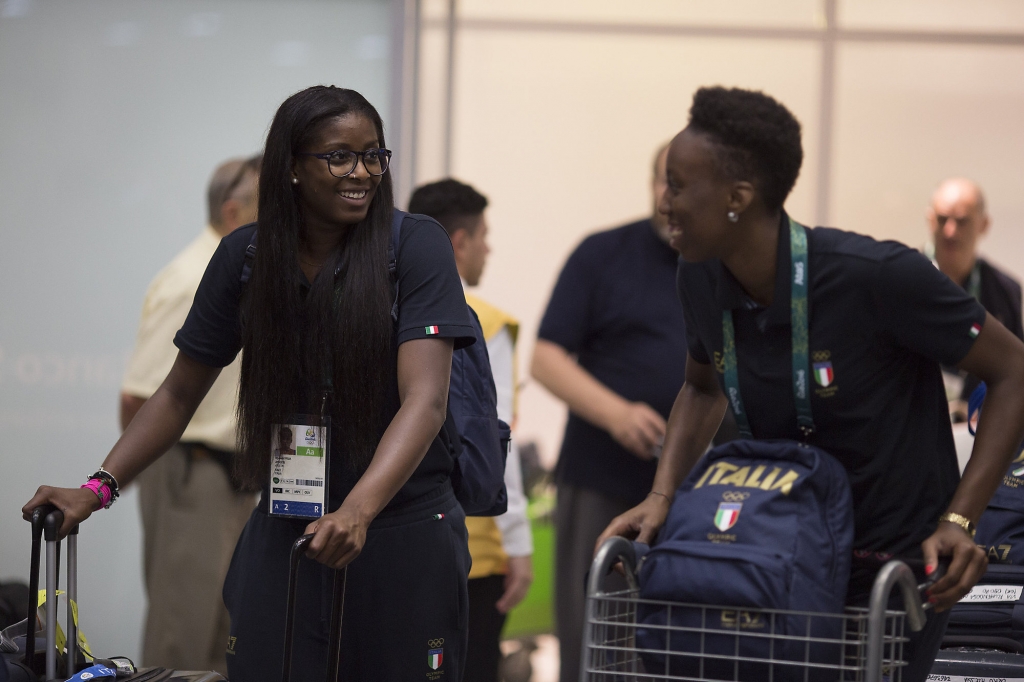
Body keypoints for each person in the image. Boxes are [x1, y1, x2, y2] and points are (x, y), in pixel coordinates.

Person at [24, 86, 476, 681]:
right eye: (339, 156)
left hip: (401, 526)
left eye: (374, 155)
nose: (361, 172)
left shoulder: (414, 245)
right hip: (289, 520)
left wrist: (358, 512)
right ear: (290, 166)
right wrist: (97, 488)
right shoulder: (246, 255)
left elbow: (426, 398)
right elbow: (177, 393)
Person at [598, 86, 1024, 682]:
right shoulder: (699, 276)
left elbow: (1013, 371)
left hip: (889, 571)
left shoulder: (878, 276)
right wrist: (663, 495)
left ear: (737, 198)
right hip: (780, 546)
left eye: (677, 184)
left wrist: (960, 520)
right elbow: (701, 388)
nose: (663, 202)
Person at [530, 144, 689, 682]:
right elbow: (546, 359)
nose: (672, 197)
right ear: (652, 184)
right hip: (601, 481)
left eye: (686, 185)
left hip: (694, 493)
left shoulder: (720, 264)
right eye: (666, 182)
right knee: (595, 636)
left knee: (680, 641)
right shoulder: (602, 254)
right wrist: (618, 414)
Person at [119, 155, 261, 674]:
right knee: (182, 633)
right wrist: (159, 482)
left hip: (235, 474)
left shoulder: (248, 274)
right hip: (189, 470)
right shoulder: (190, 280)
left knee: (223, 638)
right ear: (233, 212)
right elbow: (140, 396)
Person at [408, 178, 534, 682]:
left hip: (400, 532)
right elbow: (493, 443)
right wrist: (519, 545)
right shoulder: (484, 324)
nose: (489, 247)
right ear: (459, 241)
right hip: (473, 547)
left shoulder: (390, 307)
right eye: (484, 235)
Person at [926, 178, 1024, 416]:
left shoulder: (1006, 291)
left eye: (961, 221)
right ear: (930, 220)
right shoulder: (902, 279)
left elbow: (1015, 372)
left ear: (984, 224)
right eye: (942, 219)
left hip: (975, 428)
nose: (950, 231)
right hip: (915, 424)